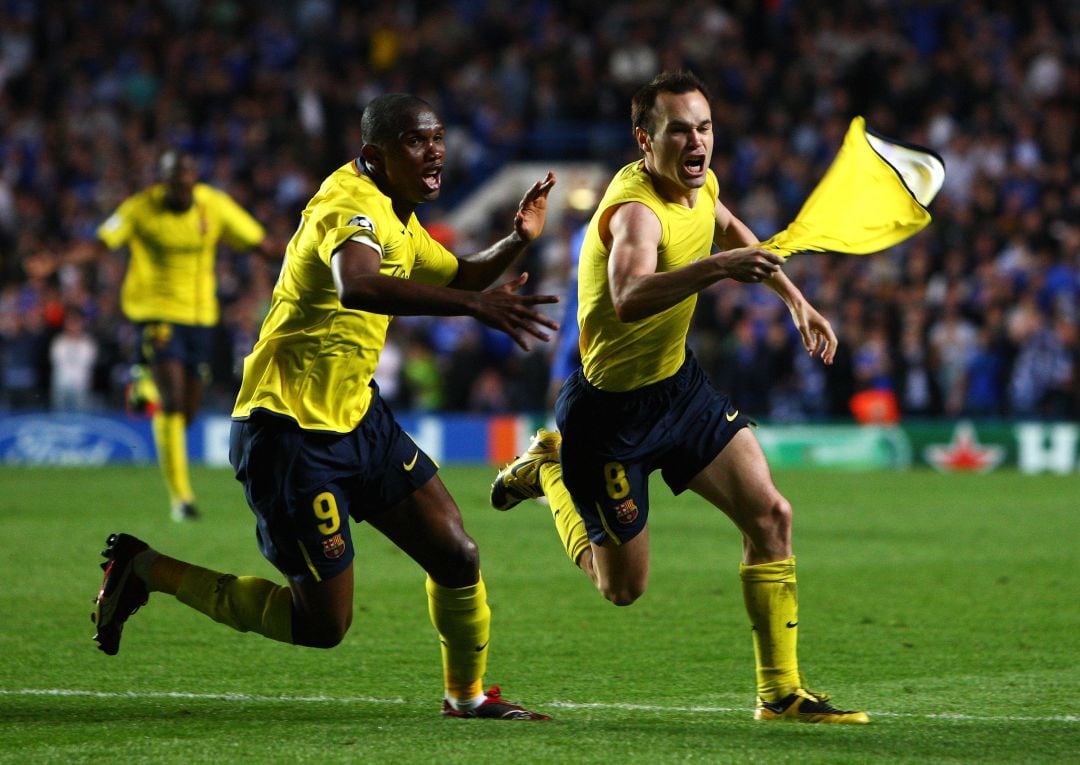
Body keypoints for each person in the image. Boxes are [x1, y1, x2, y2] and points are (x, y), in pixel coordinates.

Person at [92, 93, 556, 721]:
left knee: (457, 553)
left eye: (439, 136)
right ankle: (145, 568)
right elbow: (357, 284)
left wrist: (515, 241)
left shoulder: (399, 212)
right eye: (417, 140)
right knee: (322, 625)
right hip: (288, 433)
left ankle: (465, 696)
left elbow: (460, 277)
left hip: (356, 416)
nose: (436, 150)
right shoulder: (348, 205)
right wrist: (477, 309)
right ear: (374, 154)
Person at [491, 71, 869, 724]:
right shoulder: (635, 209)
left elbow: (730, 228)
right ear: (645, 139)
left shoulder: (703, 182)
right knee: (622, 588)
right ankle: (550, 467)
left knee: (771, 514)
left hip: (679, 389)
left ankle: (780, 693)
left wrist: (799, 304)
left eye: (705, 127)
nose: (697, 142)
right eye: (679, 131)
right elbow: (629, 296)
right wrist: (720, 270)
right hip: (609, 418)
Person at [93, 149, 276, 521]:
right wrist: (57, 260)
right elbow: (101, 243)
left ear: (194, 179)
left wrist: (307, 257)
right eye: (174, 181)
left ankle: (147, 382)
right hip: (156, 313)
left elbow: (259, 242)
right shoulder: (140, 208)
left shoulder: (214, 205)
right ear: (163, 181)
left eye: (187, 180)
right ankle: (182, 499)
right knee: (173, 402)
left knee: (189, 410)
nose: (182, 188)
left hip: (201, 319)